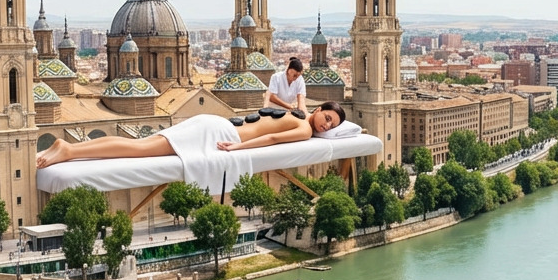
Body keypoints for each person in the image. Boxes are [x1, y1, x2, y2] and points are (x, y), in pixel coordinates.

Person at [36, 101, 346, 168]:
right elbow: (272, 141)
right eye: (328, 118)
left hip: (213, 124)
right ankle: (69, 151)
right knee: (138, 150)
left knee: (138, 145)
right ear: (318, 109)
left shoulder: (295, 113)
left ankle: (70, 149)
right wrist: (238, 149)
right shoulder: (304, 128)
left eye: (331, 126)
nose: (326, 126)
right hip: (221, 134)